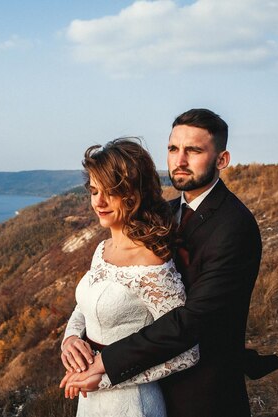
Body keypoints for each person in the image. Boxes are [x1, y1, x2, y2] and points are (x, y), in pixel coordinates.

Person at [62, 109, 278, 416]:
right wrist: (73, 336)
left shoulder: (235, 227)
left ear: (221, 160)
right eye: (173, 149)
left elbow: (192, 319)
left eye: (193, 150)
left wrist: (105, 364)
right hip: (148, 382)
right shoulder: (163, 214)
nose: (179, 160)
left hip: (202, 392)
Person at [60, 138, 200, 417]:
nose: (98, 202)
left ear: (133, 193)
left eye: (109, 192)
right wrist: (70, 339)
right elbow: (84, 307)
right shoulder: (103, 249)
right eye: (93, 190)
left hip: (132, 405)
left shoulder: (153, 263)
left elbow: (187, 353)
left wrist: (105, 378)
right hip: (90, 401)